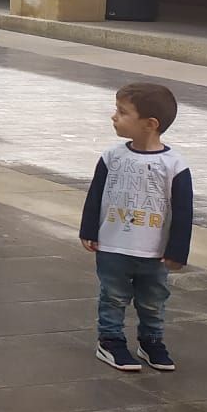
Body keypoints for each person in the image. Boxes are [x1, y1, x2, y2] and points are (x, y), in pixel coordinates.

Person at [79, 83, 191, 372]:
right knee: (113, 297)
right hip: (112, 245)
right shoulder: (111, 157)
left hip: (153, 251)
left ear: (150, 124)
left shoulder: (174, 164)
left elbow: (182, 211)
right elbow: (95, 195)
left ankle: (151, 341)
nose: (113, 117)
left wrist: (177, 251)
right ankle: (111, 341)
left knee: (153, 299)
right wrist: (89, 230)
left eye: (122, 112)